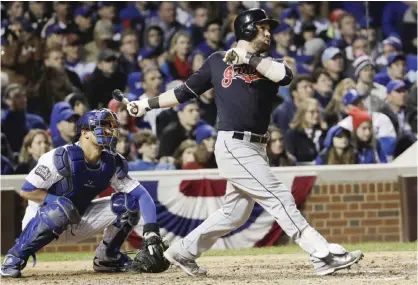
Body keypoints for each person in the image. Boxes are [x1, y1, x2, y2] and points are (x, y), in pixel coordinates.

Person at [127, 8, 363, 277]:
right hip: (233, 144)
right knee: (278, 195)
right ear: (248, 29)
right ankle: (321, 253)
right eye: (263, 27)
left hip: (257, 147)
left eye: (268, 28)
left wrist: (248, 58)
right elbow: (183, 92)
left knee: (235, 213)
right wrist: (145, 104)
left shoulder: (268, 63)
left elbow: (285, 76)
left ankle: (183, 251)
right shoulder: (217, 61)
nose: (268, 33)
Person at [1, 108, 169, 278]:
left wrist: (151, 232)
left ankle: (107, 257)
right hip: (41, 221)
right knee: (62, 208)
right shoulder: (59, 157)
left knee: (128, 203)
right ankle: (14, 257)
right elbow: (27, 191)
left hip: (78, 220)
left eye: (111, 126)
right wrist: (58, 201)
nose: (110, 131)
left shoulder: (111, 162)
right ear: (85, 132)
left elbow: (142, 195)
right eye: (103, 126)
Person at [284, 98, 327, 164]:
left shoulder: (324, 132)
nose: (316, 115)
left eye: (318, 111)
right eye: (312, 112)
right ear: (303, 113)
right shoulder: (292, 134)